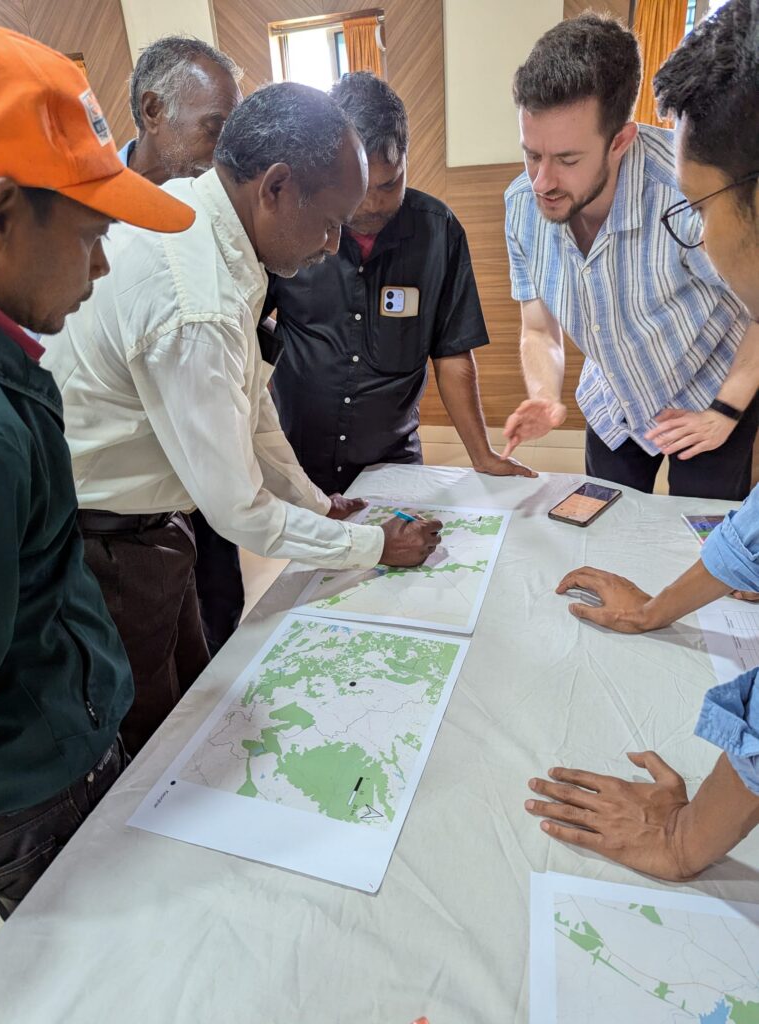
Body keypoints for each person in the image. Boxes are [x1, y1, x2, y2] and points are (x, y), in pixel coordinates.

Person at [44, 83, 441, 757]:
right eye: (329, 222)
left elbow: (251, 407)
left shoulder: (209, 220)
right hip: (104, 546)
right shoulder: (194, 300)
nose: (333, 244)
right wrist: (373, 546)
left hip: (150, 527)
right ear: (276, 187)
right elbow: (238, 511)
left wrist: (316, 503)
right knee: (146, 742)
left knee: (190, 698)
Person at [525, 0, 759, 881]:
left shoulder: (664, 188)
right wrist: (659, 608)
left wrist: (686, 838)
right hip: (617, 406)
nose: (696, 233)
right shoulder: (527, 205)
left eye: (698, 210)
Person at [0, 25, 194, 917]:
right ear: (3, 214)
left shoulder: (12, 371)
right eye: (89, 236)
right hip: (37, 785)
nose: (104, 266)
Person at [502, 13, 759, 501]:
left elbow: (758, 308)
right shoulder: (520, 206)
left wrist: (726, 410)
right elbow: (538, 328)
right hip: (614, 398)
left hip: (712, 390)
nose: (542, 182)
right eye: (532, 154)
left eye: (567, 159)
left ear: (620, 140)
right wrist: (544, 395)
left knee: (696, 529)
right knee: (603, 521)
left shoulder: (686, 192)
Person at [263, 72, 536, 498]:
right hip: (297, 461)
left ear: (407, 158)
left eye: (389, 184)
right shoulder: (293, 226)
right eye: (359, 188)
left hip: (393, 464)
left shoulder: (438, 232)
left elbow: (452, 355)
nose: (373, 204)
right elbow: (248, 325)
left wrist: (482, 455)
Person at [116, 35, 244, 656]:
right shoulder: (83, 209)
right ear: (153, 110)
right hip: (124, 509)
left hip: (201, 477)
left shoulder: (216, 209)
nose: (224, 153)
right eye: (213, 129)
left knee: (216, 618)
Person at [118, 35, 242, 183]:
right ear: (153, 111)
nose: (228, 157)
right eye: (213, 130)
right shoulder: (96, 192)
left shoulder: (218, 192)